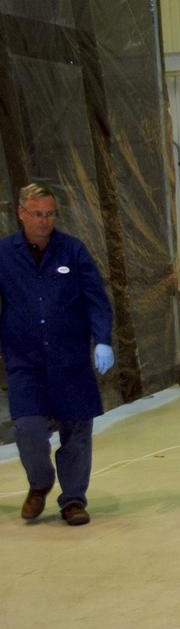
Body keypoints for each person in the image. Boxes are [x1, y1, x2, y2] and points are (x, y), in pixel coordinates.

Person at [1, 183, 114, 526]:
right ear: (21, 213)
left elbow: (96, 299)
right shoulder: (5, 254)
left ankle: (74, 500)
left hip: (70, 360)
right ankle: (40, 483)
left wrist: (103, 339)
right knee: (28, 429)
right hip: (26, 362)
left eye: (50, 214)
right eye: (37, 214)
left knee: (77, 432)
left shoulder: (72, 251)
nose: (44, 221)